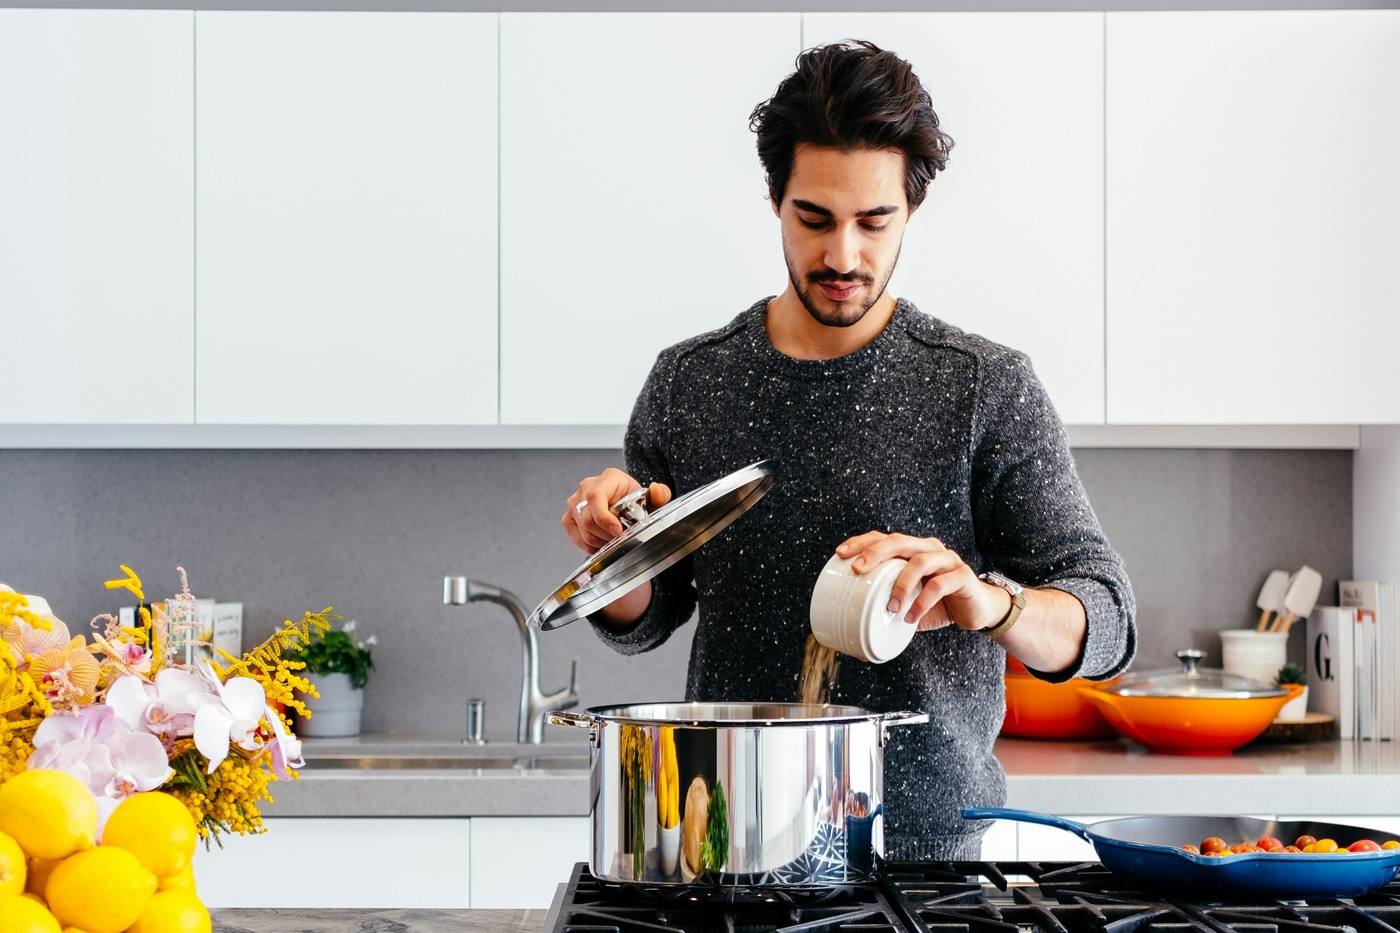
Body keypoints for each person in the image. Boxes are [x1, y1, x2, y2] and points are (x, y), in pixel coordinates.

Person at [561, 39, 1135, 859]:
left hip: (927, 864)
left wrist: (989, 601)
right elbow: (651, 614)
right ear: (773, 199)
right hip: (730, 850)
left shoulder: (983, 386)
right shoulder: (689, 382)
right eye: (815, 219)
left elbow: (1105, 616)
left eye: (875, 222)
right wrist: (611, 561)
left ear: (913, 206)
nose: (842, 256)